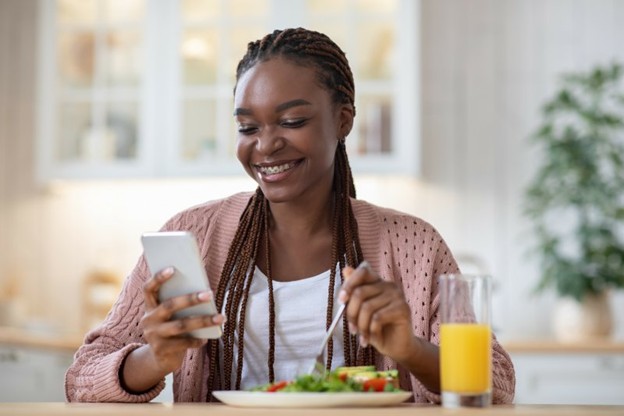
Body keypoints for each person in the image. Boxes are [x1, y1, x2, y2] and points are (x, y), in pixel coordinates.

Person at [65, 27, 515, 404]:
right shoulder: (194, 234)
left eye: (292, 121)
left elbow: (495, 383)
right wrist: (155, 360)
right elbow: (81, 379)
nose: (265, 144)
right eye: (247, 127)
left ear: (343, 121)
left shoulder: (413, 243)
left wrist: (410, 350)